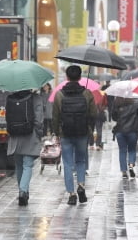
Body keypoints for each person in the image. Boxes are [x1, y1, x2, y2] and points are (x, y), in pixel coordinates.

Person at [52, 65, 97, 205]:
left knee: (67, 163)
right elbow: (93, 114)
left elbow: (55, 116)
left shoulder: (59, 95)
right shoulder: (87, 93)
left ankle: (71, 194)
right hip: (82, 132)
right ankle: (81, 185)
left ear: (67, 77)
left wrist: (56, 132)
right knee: (81, 161)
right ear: (79, 77)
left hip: (65, 133)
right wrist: (90, 128)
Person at [6, 89, 44, 206]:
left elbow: (8, 117)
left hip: (15, 135)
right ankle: (23, 191)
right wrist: (39, 133)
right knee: (27, 164)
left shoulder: (10, 98)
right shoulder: (36, 98)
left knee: (19, 165)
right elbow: (39, 119)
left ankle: (22, 190)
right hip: (30, 134)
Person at [111, 97, 138, 179]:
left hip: (120, 130)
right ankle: (131, 165)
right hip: (133, 130)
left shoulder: (117, 102)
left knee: (122, 151)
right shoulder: (136, 103)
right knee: (132, 149)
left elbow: (114, 117)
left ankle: (123, 171)